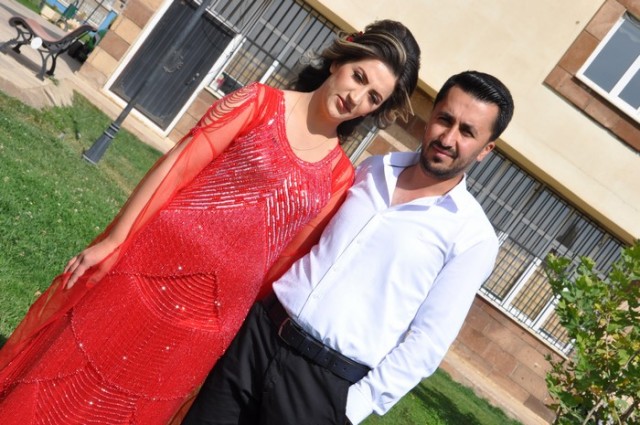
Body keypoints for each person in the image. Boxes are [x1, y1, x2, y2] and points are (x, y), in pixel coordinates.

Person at [0, 20, 421, 424]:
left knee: (133, 406)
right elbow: (177, 168)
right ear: (338, 61)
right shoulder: (258, 103)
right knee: (69, 370)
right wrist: (115, 240)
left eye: (373, 98)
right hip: (147, 270)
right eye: (358, 77)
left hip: (212, 322)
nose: (356, 97)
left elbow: (283, 264)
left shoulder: (338, 176)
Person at [182, 70, 515, 425]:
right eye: (445, 120)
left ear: (486, 149)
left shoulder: (472, 237)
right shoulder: (374, 168)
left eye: (467, 132)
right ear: (431, 115)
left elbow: (428, 342)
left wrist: (354, 405)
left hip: (323, 389)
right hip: (258, 338)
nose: (448, 138)